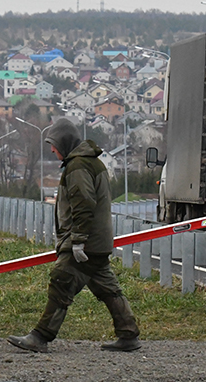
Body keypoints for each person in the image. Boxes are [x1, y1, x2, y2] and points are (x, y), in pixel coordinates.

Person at [8, 118, 141, 353]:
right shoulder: (89, 163)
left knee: (61, 281)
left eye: (54, 144)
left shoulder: (78, 166)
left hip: (85, 241)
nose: (52, 149)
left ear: (65, 142)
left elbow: (83, 204)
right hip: (96, 241)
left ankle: (40, 336)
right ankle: (128, 334)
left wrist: (78, 241)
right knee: (107, 288)